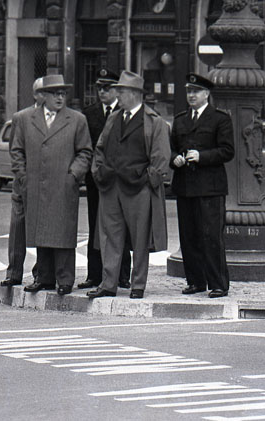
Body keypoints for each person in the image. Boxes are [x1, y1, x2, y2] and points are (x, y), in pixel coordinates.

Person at [88, 70, 170, 300]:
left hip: (139, 189)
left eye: (121, 91)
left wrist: (147, 180)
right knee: (110, 237)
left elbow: (161, 157)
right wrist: (99, 172)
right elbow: (100, 149)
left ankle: (138, 285)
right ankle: (108, 284)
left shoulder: (154, 122)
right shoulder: (113, 119)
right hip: (111, 187)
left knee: (140, 239)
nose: (117, 96)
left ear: (134, 94)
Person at [11, 74, 92, 296]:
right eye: (55, 93)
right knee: (41, 231)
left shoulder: (77, 120)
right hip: (35, 185)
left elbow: (85, 151)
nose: (59, 98)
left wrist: (73, 175)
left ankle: (65, 279)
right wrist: (23, 176)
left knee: (63, 233)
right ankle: (44, 278)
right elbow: (16, 150)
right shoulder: (26, 119)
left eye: (63, 93)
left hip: (63, 185)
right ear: (43, 96)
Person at [170, 73, 234, 298]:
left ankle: (218, 284)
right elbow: (171, 148)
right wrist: (175, 159)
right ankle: (196, 281)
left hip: (210, 187)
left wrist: (202, 156)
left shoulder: (220, 119)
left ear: (206, 94)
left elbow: (227, 151)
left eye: (196, 91)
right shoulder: (180, 120)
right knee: (189, 237)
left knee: (211, 236)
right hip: (185, 186)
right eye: (189, 91)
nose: (191, 95)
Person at [78, 69, 132, 290]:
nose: (102, 92)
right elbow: (85, 145)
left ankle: (122, 274)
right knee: (95, 225)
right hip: (96, 179)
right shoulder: (89, 113)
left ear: (117, 91)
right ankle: (94, 274)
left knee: (121, 225)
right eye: (99, 88)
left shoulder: (125, 112)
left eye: (107, 88)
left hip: (118, 179)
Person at [0, 78, 44, 287]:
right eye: (43, 92)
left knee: (43, 227)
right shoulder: (21, 117)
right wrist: (22, 175)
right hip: (24, 181)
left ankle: (40, 272)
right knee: (18, 225)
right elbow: (15, 149)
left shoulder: (55, 118)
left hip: (45, 182)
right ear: (35, 94)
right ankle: (14, 271)